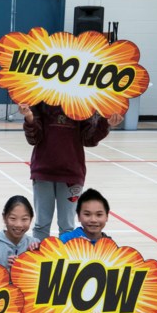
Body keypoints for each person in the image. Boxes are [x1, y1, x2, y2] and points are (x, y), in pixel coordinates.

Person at [59, 189, 157, 313]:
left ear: (107, 216)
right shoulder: (66, 240)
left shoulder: (110, 244)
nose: (93, 220)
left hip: (100, 301)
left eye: (99, 215)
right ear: (78, 216)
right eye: (87, 214)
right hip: (76, 302)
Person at [20, 103, 122, 240]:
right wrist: (29, 117)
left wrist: (106, 123)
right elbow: (33, 138)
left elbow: (89, 139)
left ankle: (65, 258)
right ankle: (39, 258)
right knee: (41, 225)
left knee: (67, 226)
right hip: (43, 171)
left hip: (72, 174)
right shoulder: (40, 102)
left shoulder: (83, 103)